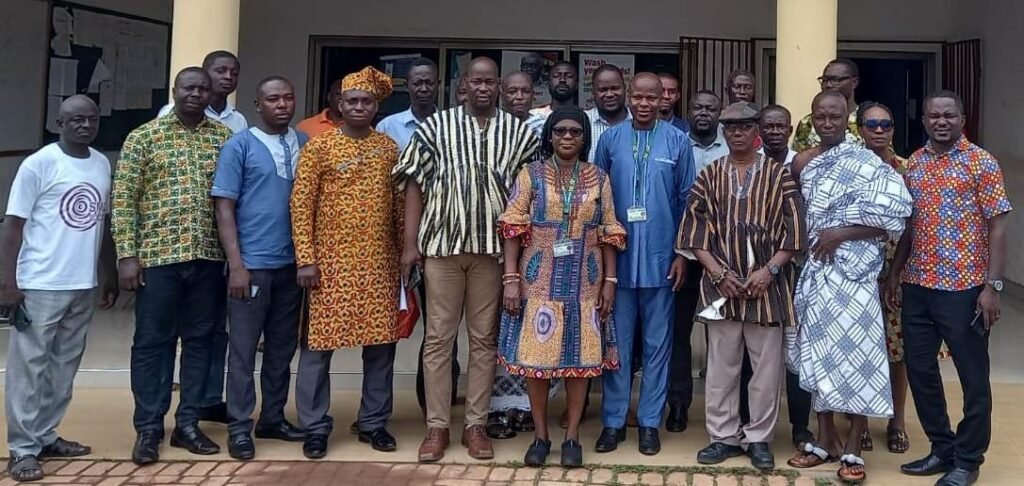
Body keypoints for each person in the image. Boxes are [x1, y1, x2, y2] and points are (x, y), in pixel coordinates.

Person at [393, 57, 539, 463]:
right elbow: (413, 185)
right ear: (463, 84)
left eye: (489, 82)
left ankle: (476, 424)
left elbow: (526, 195)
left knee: (484, 341)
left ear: (497, 87)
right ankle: (437, 427)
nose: (482, 88)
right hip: (441, 248)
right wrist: (410, 244)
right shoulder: (435, 128)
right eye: (475, 81)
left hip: (492, 254)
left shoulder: (518, 133)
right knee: (438, 340)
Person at [786, 91, 912, 483]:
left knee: (858, 359)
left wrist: (842, 233)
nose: (827, 123)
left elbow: (897, 217)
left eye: (835, 117)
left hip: (856, 278)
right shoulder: (806, 164)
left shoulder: (867, 162)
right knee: (820, 356)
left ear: (848, 120)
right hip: (819, 275)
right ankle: (825, 440)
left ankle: (854, 447)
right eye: (820, 117)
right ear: (812, 119)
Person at [113, 67, 234, 465]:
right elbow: (124, 199)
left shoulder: (224, 138)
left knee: (201, 341)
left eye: (203, 88)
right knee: (152, 344)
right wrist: (126, 255)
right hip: (157, 259)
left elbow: (234, 199)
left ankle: (188, 423)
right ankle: (149, 426)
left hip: (208, 258)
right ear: (174, 91)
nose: (196, 94)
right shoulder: (143, 137)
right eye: (189, 88)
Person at [890, 90, 1011, 486]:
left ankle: (968, 459)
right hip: (918, 286)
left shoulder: (982, 163)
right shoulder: (916, 165)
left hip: (965, 289)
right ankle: (941, 448)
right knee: (922, 371)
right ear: (924, 120)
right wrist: (895, 273)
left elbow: (998, 226)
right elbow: (909, 226)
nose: (941, 122)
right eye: (934, 116)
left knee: (973, 376)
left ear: (962, 119)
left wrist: (992, 287)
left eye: (949, 115)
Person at [678, 101, 806, 473]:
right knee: (721, 367)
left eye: (744, 126)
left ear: (757, 132)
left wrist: (770, 270)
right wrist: (717, 273)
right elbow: (693, 231)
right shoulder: (710, 174)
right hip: (722, 286)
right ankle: (722, 437)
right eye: (730, 126)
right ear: (723, 131)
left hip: (767, 287)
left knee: (766, 370)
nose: (737, 132)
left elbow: (795, 231)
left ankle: (758, 439)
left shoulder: (780, 175)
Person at [498, 106, 626, 468]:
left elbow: (609, 231)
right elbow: (513, 226)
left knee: (579, 363)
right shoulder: (531, 175)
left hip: (586, 284)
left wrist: (610, 282)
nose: (567, 137)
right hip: (538, 281)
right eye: (560, 131)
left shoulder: (599, 177)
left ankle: (571, 438)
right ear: (549, 135)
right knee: (538, 361)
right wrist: (510, 279)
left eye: (574, 132)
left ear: (585, 137)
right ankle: (540, 436)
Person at [2, 96, 118, 482]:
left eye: (92, 119)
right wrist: (8, 282)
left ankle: (45, 435)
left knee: (63, 366)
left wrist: (109, 275)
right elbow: (13, 226)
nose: (85, 125)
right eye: (76, 120)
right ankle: (21, 448)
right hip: (40, 282)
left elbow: (102, 226)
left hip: (82, 283)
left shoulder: (101, 163)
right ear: (59, 123)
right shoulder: (39, 164)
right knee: (29, 368)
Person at [290, 67, 402, 459]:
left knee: (380, 349)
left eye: (366, 101)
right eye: (351, 100)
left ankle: (373, 422)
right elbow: (301, 205)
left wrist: (406, 254)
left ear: (376, 106)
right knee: (317, 349)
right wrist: (306, 259)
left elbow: (400, 206)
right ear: (339, 104)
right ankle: (315, 426)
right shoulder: (319, 147)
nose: (358, 106)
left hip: (379, 264)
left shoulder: (388, 148)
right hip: (329, 266)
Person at [593, 72, 694, 456]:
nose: (645, 103)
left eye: (652, 97)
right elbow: (599, 199)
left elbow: (686, 202)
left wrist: (682, 255)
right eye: (638, 96)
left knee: (658, 346)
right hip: (617, 265)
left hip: (661, 262)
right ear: (629, 98)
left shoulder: (677, 141)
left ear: (663, 100)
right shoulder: (610, 139)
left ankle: (650, 422)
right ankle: (613, 422)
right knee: (615, 345)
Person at [212, 76, 308, 461]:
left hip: (293, 265)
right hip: (252, 266)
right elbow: (224, 208)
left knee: (282, 348)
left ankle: (273, 417)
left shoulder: (303, 143)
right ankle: (239, 426)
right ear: (257, 104)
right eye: (273, 99)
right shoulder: (240, 146)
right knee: (243, 351)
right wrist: (236, 265)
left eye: (288, 97)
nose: (282, 105)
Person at [376, 57, 461, 424]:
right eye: (417, 82)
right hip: (402, 239)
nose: (423, 87)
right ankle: (379, 410)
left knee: (443, 327)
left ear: (438, 84)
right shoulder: (388, 127)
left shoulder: (453, 126)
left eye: (429, 82)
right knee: (395, 324)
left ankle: (438, 403)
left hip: (446, 238)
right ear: (406, 85)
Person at [486, 70, 551, 440]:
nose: (518, 96)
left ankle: (527, 406)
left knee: (532, 328)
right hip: (490, 243)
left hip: (535, 248)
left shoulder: (542, 132)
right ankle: (496, 409)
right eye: (511, 90)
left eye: (525, 90)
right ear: (501, 93)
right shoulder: (487, 130)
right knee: (495, 330)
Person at [756, 103, 814, 450]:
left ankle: (800, 426)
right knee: (760, 352)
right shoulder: (751, 162)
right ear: (759, 131)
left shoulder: (802, 164)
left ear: (790, 130)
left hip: (796, 269)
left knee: (796, 350)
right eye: (769, 126)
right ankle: (756, 423)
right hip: (757, 269)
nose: (775, 131)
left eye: (782, 126)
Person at [158, 50, 247, 135]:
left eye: (234, 73)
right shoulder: (172, 112)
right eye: (220, 71)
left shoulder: (238, 119)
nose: (228, 77)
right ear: (204, 73)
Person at [792, 59, 862, 152]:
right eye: (825, 80)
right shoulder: (807, 123)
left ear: (854, 82)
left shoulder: (868, 120)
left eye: (835, 80)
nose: (828, 85)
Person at [585, 64, 630, 162]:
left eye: (615, 88)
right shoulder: (583, 122)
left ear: (625, 88)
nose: (609, 94)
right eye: (603, 90)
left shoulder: (638, 122)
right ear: (593, 93)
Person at [686, 91, 728, 173]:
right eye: (697, 108)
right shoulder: (677, 147)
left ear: (720, 115)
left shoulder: (730, 149)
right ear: (688, 114)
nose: (704, 113)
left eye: (711, 109)